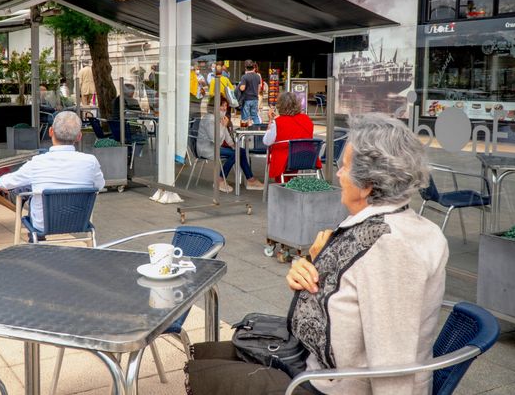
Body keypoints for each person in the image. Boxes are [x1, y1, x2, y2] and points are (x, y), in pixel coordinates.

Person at [186, 113, 447, 395]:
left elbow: (394, 365)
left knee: (209, 376)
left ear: (368, 184)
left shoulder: (391, 247)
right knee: (207, 353)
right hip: (313, 362)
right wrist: (310, 265)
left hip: (333, 386)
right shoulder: (381, 225)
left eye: (344, 167)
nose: (337, 174)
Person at [0, 111, 105, 230]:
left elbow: (12, 180)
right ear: (79, 136)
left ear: (50, 131)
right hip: (79, 222)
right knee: (36, 184)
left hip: (43, 225)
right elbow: (99, 186)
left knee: (33, 187)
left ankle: (36, 240)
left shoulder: (37, 162)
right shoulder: (91, 161)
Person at [197, 97, 264, 192]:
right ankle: (219, 179)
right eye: (222, 105)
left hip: (214, 147)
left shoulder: (219, 118)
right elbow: (216, 139)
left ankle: (250, 180)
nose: (224, 108)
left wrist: (233, 145)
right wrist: (224, 126)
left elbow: (226, 136)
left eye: (225, 105)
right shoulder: (209, 119)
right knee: (235, 153)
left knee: (240, 151)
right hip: (207, 149)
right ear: (214, 106)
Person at [263, 92, 319, 182]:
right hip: (307, 157)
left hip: (286, 160)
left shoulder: (278, 122)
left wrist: (271, 120)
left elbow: (266, 141)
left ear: (280, 105)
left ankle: (283, 188)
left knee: (277, 152)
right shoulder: (307, 119)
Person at [238, 60, 262, 127]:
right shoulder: (257, 76)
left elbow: (242, 88)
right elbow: (259, 88)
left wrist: (239, 86)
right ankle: (258, 131)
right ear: (253, 67)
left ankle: (244, 133)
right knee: (255, 116)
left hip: (246, 99)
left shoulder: (244, 77)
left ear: (245, 68)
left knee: (245, 118)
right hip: (255, 99)